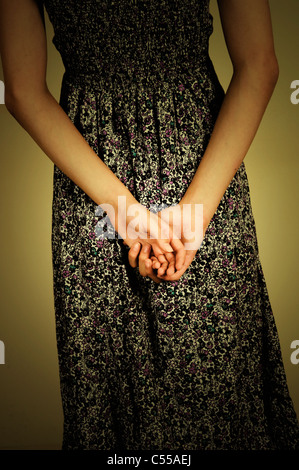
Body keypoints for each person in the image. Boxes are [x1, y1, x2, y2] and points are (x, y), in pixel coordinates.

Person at [0, 0, 298, 450]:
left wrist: (128, 213)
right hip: (195, 173)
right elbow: (259, 63)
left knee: (115, 401)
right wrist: (188, 214)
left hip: (113, 180)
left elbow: (22, 91)